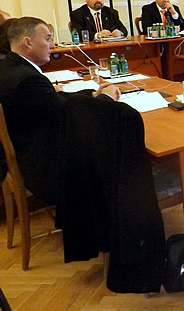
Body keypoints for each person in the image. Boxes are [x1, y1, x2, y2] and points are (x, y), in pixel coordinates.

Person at [0, 17, 165, 293]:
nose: (52, 45)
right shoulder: (27, 80)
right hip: (46, 169)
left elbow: (55, 103)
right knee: (120, 159)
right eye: (47, 39)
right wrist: (106, 99)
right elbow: (66, 114)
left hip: (27, 154)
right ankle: (125, 243)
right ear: (27, 42)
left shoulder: (10, 68)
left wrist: (89, 95)